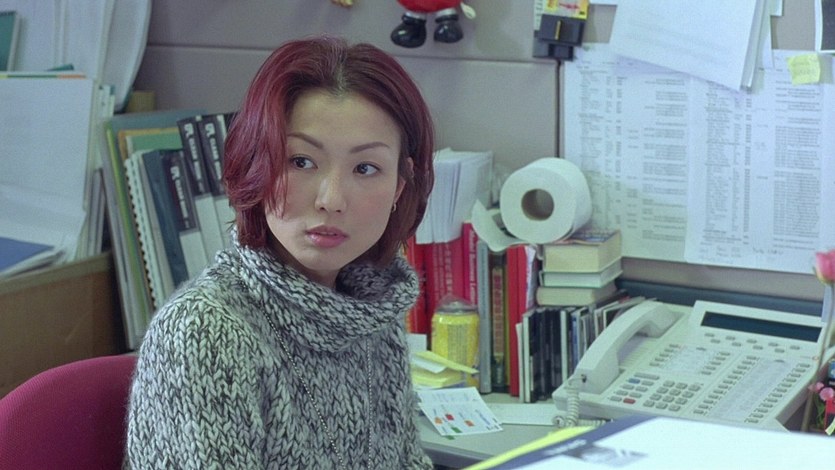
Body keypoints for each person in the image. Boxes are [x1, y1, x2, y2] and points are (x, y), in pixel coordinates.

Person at [125, 35, 436, 469]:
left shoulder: (371, 311)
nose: (331, 199)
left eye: (366, 168)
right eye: (301, 162)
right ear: (259, 164)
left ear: (399, 187)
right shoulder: (206, 332)